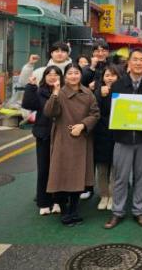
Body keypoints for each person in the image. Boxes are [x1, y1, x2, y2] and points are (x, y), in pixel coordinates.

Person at [104, 48, 142, 230]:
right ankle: (117, 212)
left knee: (141, 177)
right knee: (120, 178)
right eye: (135, 59)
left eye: (141, 60)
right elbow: (108, 112)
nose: (138, 63)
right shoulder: (118, 85)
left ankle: (139, 211)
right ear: (128, 63)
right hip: (122, 139)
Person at [44, 63, 99, 226]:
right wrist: (54, 93)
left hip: (81, 139)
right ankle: (64, 211)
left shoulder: (88, 93)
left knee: (78, 177)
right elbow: (49, 112)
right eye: (70, 73)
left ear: (81, 75)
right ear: (65, 76)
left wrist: (82, 125)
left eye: (76, 73)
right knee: (60, 176)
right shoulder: (59, 93)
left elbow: (95, 114)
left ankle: (74, 210)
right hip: (63, 139)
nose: (73, 76)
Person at [22, 65, 64, 216]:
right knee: (44, 169)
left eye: (56, 74)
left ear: (61, 77)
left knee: (60, 169)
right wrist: (30, 86)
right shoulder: (39, 91)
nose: (52, 77)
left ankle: (58, 200)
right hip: (43, 135)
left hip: (61, 136)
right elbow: (28, 104)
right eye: (49, 74)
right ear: (44, 77)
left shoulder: (65, 92)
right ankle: (44, 202)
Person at [93, 64, 122, 210]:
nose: (110, 78)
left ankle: (113, 195)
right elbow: (93, 111)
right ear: (103, 78)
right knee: (102, 168)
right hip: (101, 134)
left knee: (116, 168)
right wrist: (100, 95)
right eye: (107, 75)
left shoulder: (123, 91)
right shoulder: (97, 92)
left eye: (113, 75)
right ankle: (104, 195)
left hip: (118, 135)